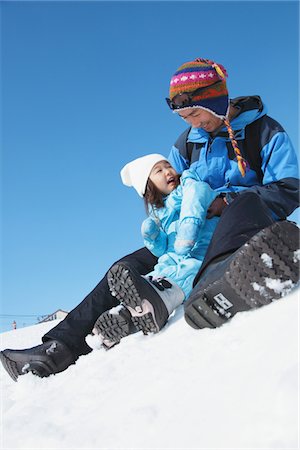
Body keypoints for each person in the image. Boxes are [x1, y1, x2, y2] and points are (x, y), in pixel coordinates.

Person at [1, 58, 299, 382]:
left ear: (215, 100)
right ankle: (59, 348)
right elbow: (170, 192)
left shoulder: (263, 131)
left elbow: (288, 188)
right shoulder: (188, 142)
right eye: (185, 118)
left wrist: (225, 202)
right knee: (126, 266)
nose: (193, 123)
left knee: (246, 203)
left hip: (243, 223)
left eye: (195, 113)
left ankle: (218, 283)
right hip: (191, 229)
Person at [93, 153, 219, 349]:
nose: (168, 171)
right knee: (157, 274)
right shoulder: (160, 212)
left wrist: (188, 227)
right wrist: (152, 238)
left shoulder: (190, 186)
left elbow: (198, 198)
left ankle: (160, 300)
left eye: (167, 166)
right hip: (173, 258)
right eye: (158, 170)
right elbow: (163, 250)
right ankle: (126, 315)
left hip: (201, 251)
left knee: (187, 272)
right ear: (148, 186)